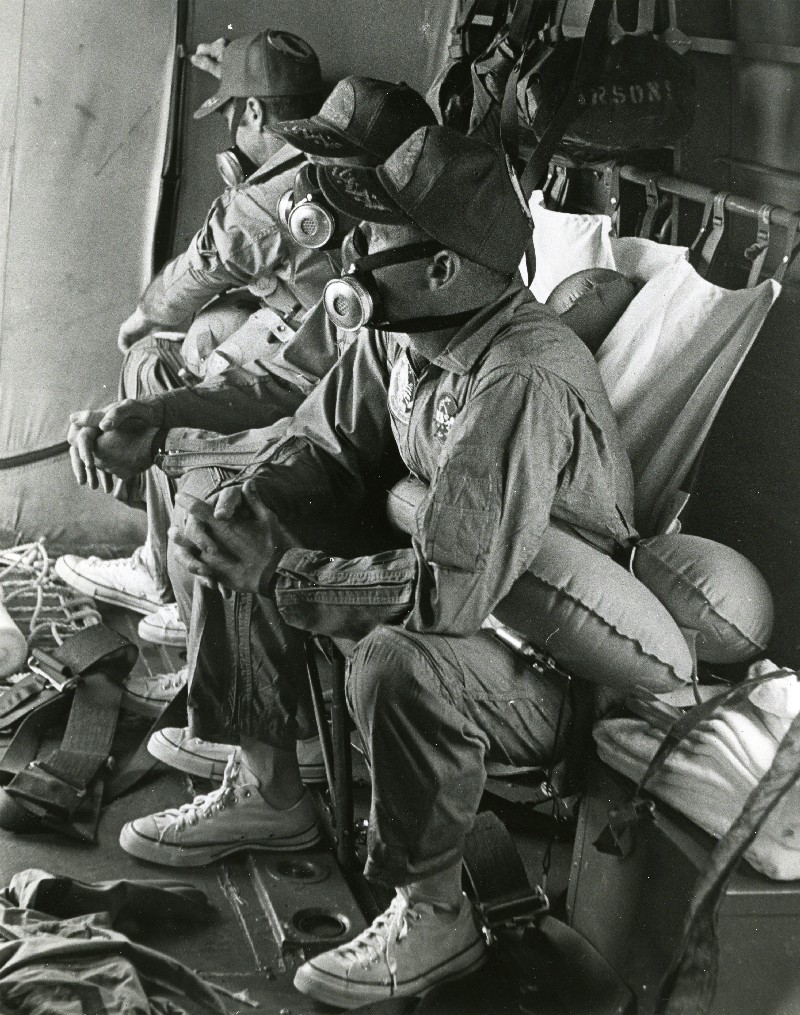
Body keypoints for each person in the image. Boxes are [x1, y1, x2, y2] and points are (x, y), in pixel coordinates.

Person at [96, 125, 637, 1007]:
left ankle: (436, 911)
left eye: (377, 237)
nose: (352, 254)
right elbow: (323, 451)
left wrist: (292, 571)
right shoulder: (408, 335)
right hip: (461, 589)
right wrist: (250, 515)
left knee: (392, 659)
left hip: (532, 664)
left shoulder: (519, 382)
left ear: (443, 269)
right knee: (251, 510)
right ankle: (271, 792)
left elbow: (448, 595)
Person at [56, 65, 435, 650]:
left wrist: (175, 440)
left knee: (217, 505)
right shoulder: (368, 287)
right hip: (332, 431)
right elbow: (296, 384)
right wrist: (160, 416)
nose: (323, 190)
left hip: (369, 489)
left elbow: (324, 431)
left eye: (347, 177)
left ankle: (229, 698)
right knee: (197, 406)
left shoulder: (423, 303)